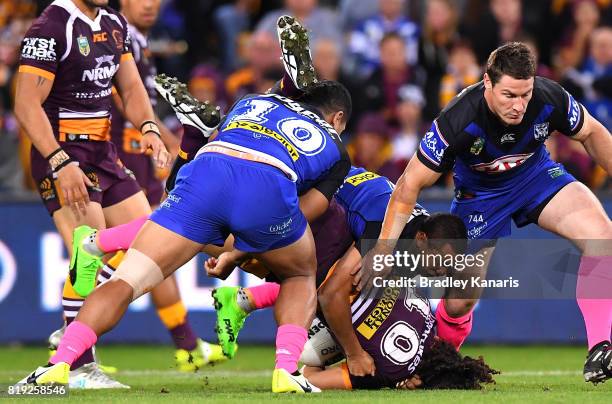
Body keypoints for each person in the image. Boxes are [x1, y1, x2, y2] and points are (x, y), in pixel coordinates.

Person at [19, 15, 353, 394]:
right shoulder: (337, 147)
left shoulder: (254, 102)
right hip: (267, 184)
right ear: (337, 117)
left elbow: (191, 186)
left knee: (128, 279)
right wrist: (246, 250)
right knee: (298, 273)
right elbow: (309, 209)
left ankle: (57, 365)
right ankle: (285, 371)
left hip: (210, 167)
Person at [360, 41, 612, 383]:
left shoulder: (549, 97)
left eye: (525, 94)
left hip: (536, 177)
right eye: (509, 95)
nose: (519, 106)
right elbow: (408, 186)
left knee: (601, 235)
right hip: (479, 197)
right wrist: (384, 249)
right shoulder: (458, 118)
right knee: (459, 303)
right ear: (488, 83)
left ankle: (601, 348)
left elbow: (592, 132)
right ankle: (431, 370)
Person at [14, 0, 171, 388]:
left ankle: (70, 330)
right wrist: (59, 161)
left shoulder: (113, 22)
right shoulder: (50, 26)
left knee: (154, 240)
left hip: (104, 153)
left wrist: (149, 126)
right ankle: (79, 364)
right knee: (88, 253)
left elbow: (131, 86)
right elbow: (25, 103)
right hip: (64, 154)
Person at [108, 0, 225, 372]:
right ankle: (72, 328)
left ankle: (187, 345)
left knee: (148, 247)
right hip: (117, 153)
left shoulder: (139, 40)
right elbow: (116, 93)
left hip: (139, 154)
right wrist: (158, 137)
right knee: (144, 246)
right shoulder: (115, 36)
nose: (150, 5)